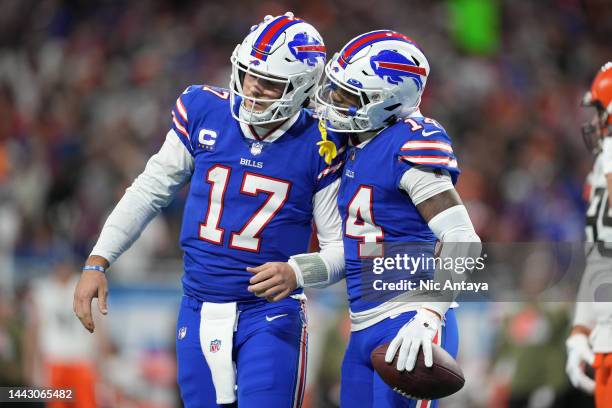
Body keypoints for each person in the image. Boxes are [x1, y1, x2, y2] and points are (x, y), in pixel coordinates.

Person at [73, 13, 345, 408]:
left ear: (301, 89)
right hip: (198, 306)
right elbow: (149, 190)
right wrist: (98, 259)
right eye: (249, 74)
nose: (253, 89)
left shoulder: (321, 143)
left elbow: (341, 248)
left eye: (270, 83)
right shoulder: (205, 110)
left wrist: (297, 271)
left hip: (269, 313)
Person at [314, 30, 482, 407]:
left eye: (348, 95)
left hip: (409, 321)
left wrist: (428, 315)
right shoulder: (356, 144)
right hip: (361, 326)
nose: (335, 102)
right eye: (336, 90)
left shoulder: (408, 144)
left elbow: (463, 238)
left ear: (387, 102)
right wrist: (297, 272)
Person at [566, 61, 612, 408]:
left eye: (599, 109)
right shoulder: (601, 167)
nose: (595, 122)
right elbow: (600, 256)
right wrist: (581, 328)